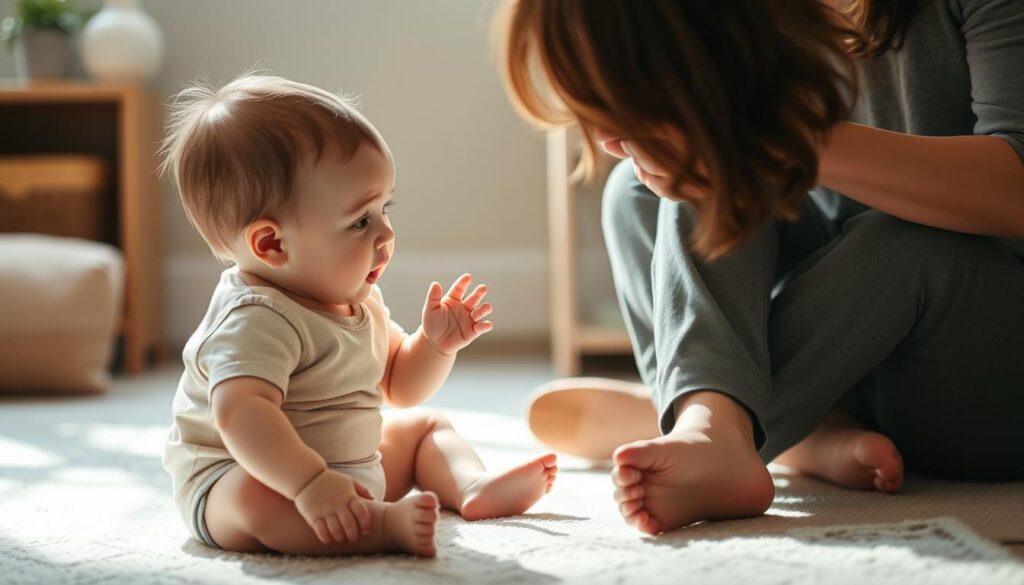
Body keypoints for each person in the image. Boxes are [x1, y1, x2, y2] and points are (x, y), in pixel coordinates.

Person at [496, 0, 1024, 536]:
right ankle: (723, 423)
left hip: (980, 358)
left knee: (905, 240)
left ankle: (722, 413)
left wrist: (775, 141)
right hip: (856, 341)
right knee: (639, 192)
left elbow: (1017, 189)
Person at [160, 74, 558, 557]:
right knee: (254, 497)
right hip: (250, 481)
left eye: (385, 208)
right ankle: (382, 527)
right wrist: (309, 484)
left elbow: (399, 385)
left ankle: (471, 486)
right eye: (361, 221)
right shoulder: (254, 318)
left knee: (425, 428)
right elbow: (240, 414)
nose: (387, 234)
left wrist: (433, 346)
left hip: (351, 470)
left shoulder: (356, 297)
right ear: (272, 244)